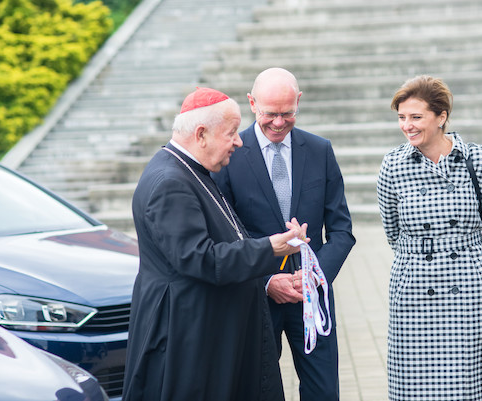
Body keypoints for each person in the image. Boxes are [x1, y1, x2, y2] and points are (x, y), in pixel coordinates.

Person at [122, 87, 309, 401]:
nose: (239, 141)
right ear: (201, 134)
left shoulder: (191, 170)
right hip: (188, 335)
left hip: (207, 327)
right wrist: (270, 248)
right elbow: (199, 258)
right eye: (232, 133)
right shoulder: (170, 182)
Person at [213, 68, 355, 401]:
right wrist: (266, 280)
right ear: (251, 103)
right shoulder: (230, 154)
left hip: (312, 298)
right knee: (259, 390)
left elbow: (342, 230)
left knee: (324, 391)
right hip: (257, 297)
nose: (278, 122)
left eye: (287, 113)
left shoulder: (320, 151)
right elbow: (224, 233)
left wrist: (314, 277)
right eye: (270, 114)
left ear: (299, 103)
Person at [377, 75, 482, 401]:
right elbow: (392, 231)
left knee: (465, 386)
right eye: (401, 117)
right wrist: (418, 257)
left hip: (467, 286)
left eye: (416, 117)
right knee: (416, 386)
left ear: (441, 117)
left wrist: (479, 270)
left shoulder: (476, 159)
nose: (407, 125)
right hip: (414, 286)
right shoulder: (393, 165)